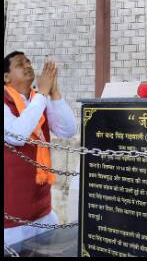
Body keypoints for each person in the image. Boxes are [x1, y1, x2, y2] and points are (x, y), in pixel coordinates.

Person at [3, 52, 76, 246]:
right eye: (20, 64)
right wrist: (43, 94)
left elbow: (68, 130)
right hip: (11, 218)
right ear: (6, 77)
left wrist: (54, 93)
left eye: (28, 61)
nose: (27, 65)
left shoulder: (38, 99)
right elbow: (16, 135)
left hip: (43, 210)